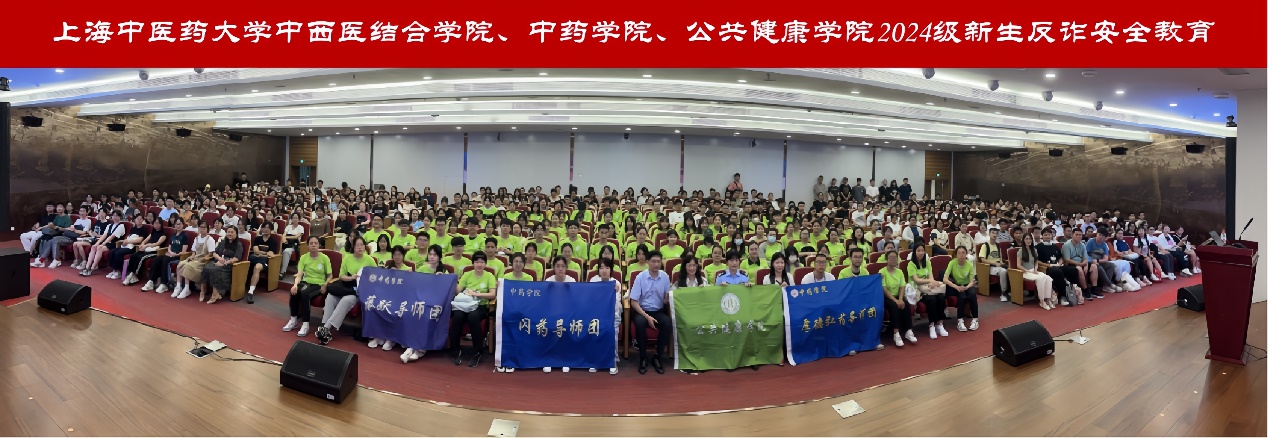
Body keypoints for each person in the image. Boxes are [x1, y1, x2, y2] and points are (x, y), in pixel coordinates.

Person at [315, 237, 376, 342]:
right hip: (346, 286)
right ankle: (325, 327)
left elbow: (375, 277)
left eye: (362, 245)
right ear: (353, 246)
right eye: (357, 245)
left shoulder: (370, 260)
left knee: (346, 300)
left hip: (358, 290)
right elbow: (341, 276)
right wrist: (351, 278)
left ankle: (325, 328)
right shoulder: (347, 258)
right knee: (330, 297)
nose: (360, 247)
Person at [449, 251, 498, 368]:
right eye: (477, 262)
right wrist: (452, 280)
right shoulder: (467, 274)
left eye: (482, 262)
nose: (479, 264)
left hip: (481, 305)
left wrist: (477, 294)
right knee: (457, 316)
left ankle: (478, 351)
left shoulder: (489, 276)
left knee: (473, 317)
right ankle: (455, 350)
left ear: (485, 263)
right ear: (473, 263)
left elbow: (492, 294)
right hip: (465, 304)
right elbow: (458, 291)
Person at [629, 250, 672, 374]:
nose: (656, 264)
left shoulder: (665, 277)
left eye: (658, 261)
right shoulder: (640, 277)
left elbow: (665, 300)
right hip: (641, 311)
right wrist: (647, 316)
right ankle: (643, 358)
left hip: (658, 311)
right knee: (640, 324)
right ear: (647, 262)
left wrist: (667, 300)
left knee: (667, 323)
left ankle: (658, 356)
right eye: (653, 261)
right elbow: (633, 302)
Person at [285, 236, 331, 341]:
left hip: (318, 284)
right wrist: (295, 285)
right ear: (308, 245)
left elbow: (330, 275)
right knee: (294, 291)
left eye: (316, 243)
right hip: (306, 282)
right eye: (311, 243)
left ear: (319, 245)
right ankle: (293, 320)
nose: (313, 245)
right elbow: (299, 274)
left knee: (305, 294)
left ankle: (305, 324)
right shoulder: (304, 257)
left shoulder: (325, 258)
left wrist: (325, 284)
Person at [587, 257, 623, 375]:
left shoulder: (615, 283)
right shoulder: (593, 281)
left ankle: (612, 361)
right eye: (601, 267)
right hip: (596, 315)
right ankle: (595, 360)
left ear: (611, 270)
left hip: (612, 316)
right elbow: (590, 299)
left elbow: (616, 303)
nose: (604, 270)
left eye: (607, 268)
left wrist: (615, 291)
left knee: (612, 335)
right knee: (595, 333)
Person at [907, 245, 949, 338]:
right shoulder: (911, 264)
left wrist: (931, 282)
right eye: (918, 251)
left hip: (928, 288)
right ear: (914, 252)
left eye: (922, 250)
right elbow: (916, 280)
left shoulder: (927, 262)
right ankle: (932, 325)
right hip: (918, 290)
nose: (921, 253)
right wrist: (930, 281)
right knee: (931, 299)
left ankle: (940, 324)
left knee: (941, 297)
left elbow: (931, 276)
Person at [879, 250, 916, 347]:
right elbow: (884, 289)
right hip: (886, 298)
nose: (893, 259)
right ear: (886, 259)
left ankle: (908, 331)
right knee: (894, 306)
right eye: (890, 257)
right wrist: (896, 301)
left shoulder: (899, 272)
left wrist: (900, 299)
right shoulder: (882, 272)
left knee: (905, 304)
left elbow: (902, 286)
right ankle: (896, 333)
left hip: (898, 296)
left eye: (895, 257)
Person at [201, 226, 244, 304]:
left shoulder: (239, 245)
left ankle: (214, 295)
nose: (230, 234)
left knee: (215, 270)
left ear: (236, 234)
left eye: (232, 232)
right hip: (219, 260)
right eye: (228, 232)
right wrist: (219, 258)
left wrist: (225, 262)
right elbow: (214, 253)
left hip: (229, 264)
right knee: (206, 267)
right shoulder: (223, 242)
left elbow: (237, 258)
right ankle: (203, 291)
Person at [173, 223, 217, 299]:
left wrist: (203, 259)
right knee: (181, 263)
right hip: (195, 258)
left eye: (204, 228)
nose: (202, 229)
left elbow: (211, 254)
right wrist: (192, 256)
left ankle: (186, 288)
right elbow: (193, 252)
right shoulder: (197, 238)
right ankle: (178, 286)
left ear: (207, 229)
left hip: (203, 261)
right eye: (201, 228)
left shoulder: (210, 239)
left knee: (188, 266)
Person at [1016, 234, 1057, 310]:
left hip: (1033, 271)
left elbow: (1036, 262)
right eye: (1026, 239)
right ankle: (1042, 301)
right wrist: (1027, 271)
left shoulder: (1034, 250)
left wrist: (1035, 269)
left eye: (1030, 239)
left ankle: (1048, 300)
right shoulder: (1020, 251)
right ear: (1023, 240)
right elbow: (1018, 265)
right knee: (1040, 279)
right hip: (1025, 272)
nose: (1028, 241)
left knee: (1047, 278)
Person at [943, 246, 979, 332]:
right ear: (956, 254)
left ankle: (975, 319)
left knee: (972, 294)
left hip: (967, 285)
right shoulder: (952, 263)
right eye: (959, 253)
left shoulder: (969, 264)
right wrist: (957, 287)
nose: (961, 255)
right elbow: (945, 279)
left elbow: (972, 281)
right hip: (956, 285)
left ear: (966, 254)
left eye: (963, 253)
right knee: (962, 296)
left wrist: (966, 287)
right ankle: (960, 320)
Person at [977, 228, 1009, 301]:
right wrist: (995, 263)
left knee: (1010, 269)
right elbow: (983, 260)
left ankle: (1011, 291)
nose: (994, 235)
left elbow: (1000, 258)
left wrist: (1002, 263)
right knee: (1003, 271)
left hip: (998, 266)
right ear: (989, 234)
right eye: (993, 233)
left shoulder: (997, 245)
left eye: (996, 233)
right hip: (989, 267)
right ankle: (1003, 293)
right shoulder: (985, 245)